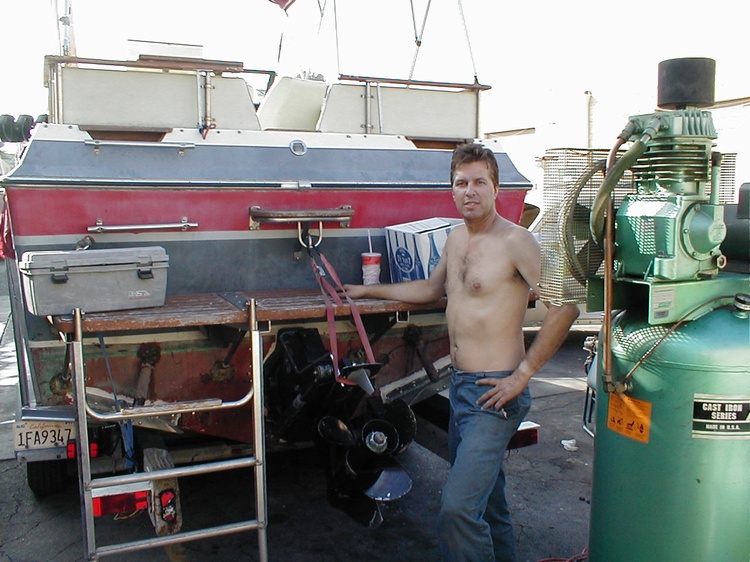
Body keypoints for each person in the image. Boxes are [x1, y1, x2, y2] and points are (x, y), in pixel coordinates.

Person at [344, 143, 579, 561]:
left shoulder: (515, 240)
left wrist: (522, 375)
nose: (470, 191)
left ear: (495, 188)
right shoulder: (455, 238)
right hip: (462, 389)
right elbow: (432, 290)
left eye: (479, 182)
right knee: (490, 506)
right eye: (461, 183)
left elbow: (565, 305)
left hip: (496, 393)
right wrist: (367, 290)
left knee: (457, 510)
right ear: (452, 190)